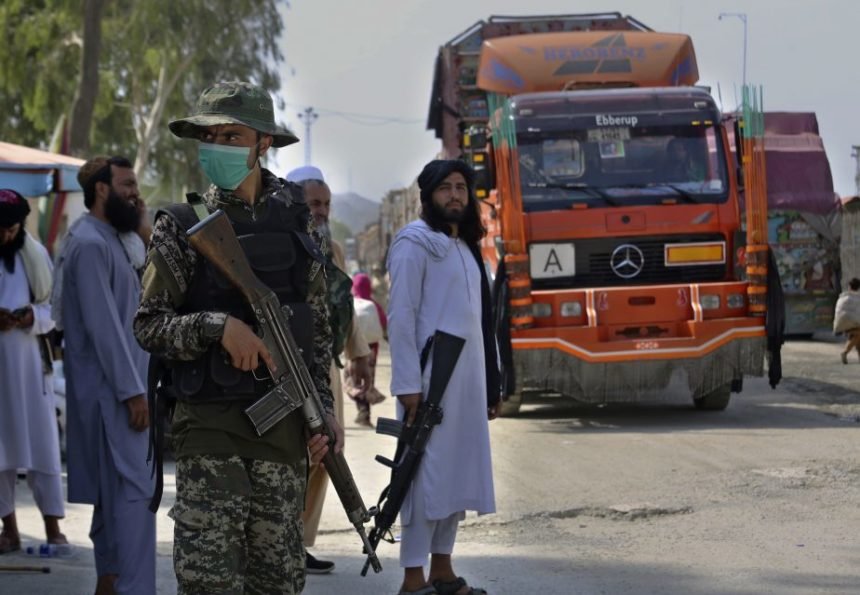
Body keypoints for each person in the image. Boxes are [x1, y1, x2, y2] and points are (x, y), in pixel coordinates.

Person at [134, 81, 337, 594]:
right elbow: (149, 325)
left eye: (232, 136)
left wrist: (323, 411)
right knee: (209, 583)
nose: (217, 145)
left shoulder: (299, 223)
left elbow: (316, 329)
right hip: (210, 430)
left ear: (262, 143)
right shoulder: (182, 226)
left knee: (277, 582)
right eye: (209, 136)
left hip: (282, 436)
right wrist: (218, 327)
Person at [387, 159, 502, 595]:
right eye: (445, 188)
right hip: (430, 385)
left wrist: (492, 382)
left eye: (461, 188)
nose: (455, 195)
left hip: (467, 385)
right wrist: (407, 385)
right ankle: (413, 578)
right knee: (423, 479)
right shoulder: (413, 242)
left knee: (456, 476)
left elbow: (483, 323)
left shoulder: (466, 247)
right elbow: (401, 316)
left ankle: (442, 571)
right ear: (428, 195)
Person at [61, 156, 155, 594]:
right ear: (101, 189)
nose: (135, 193)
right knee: (136, 492)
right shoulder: (89, 244)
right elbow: (104, 327)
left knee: (116, 492)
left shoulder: (113, 239)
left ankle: (111, 580)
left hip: (120, 390)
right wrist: (133, 392)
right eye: (127, 185)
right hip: (114, 395)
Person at [285, 164, 372, 573]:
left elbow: (342, 305)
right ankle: (280, 544)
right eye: (313, 204)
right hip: (290, 367)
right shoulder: (281, 243)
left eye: (326, 204)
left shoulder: (332, 249)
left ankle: (299, 544)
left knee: (327, 453)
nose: (321, 211)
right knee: (296, 457)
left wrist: (358, 353)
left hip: (327, 367)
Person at [0, 189, 67, 554]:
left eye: (10, 230)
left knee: (43, 447)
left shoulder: (36, 255)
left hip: (31, 369)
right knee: (1, 451)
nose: (4, 236)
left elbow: (53, 310)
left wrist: (29, 318)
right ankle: (9, 530)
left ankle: (53, 528)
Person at [349, 272, 388, 427]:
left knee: (354, 380)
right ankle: (366, 413)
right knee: (368, 380)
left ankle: (362, 410)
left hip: (354, 349)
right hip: (372, 350)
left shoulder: (351, 303)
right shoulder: (374, 305)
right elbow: (383, 323)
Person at [833, 277, 860, 364]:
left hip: (842, 325)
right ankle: (844, 352)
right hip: (852, 324)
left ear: (849, 286)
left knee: (856, 336)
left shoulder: (842, 297)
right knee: (858, 334)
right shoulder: (857, 298)